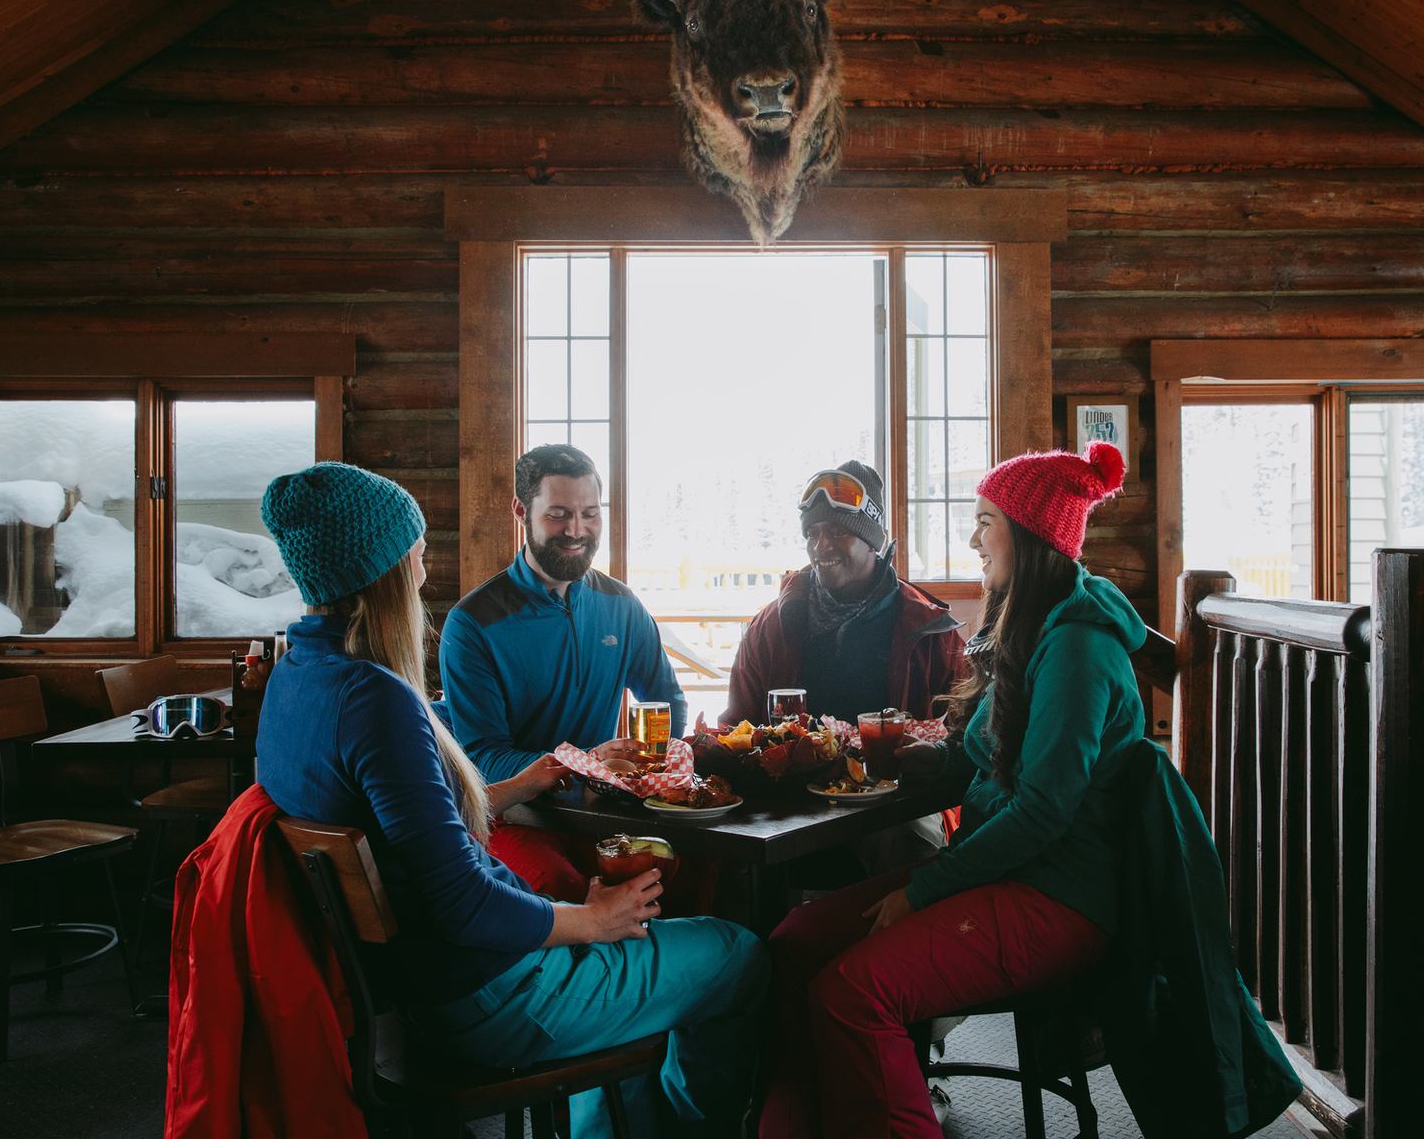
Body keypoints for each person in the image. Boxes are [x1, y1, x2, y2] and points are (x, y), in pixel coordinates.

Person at [253, 462, 765, 1137]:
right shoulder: (379, 700)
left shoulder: (296, 680)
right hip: (488, 994)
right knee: (736, 950)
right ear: (380, 570)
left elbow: (421, 830)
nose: (422, 571)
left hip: (409, 988)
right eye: (414, 554)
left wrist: (533, 778)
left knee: (652, 919)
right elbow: (463, 902)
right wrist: (588, 920)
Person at [758, 443, 1143, 1139]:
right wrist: (917, 760)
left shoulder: (1080, 649)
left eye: (985, 520)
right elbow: (984, 764)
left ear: (1029, 537)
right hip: (1006, 873)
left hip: (1055, 894)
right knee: (794, 941)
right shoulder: (1026, 631)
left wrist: (924, 890)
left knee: (853, 992)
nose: (973, 537)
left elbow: (1044, 811)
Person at [440, 443, 688, 900]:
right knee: (562, 889)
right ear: (521, 510)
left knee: (698, 870)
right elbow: (483, 757)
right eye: (558, 514)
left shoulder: (622, 605)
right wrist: (584, 762)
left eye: (590, 514)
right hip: (516, 817)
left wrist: (655, 763)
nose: (577, 531)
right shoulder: (473, 622)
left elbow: (666, 701)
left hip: (606, 813)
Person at [724, 460, 966, 725]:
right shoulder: (771, 626)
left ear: (873, 541)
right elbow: (735, 728)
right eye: (812, 534)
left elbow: (965, 733)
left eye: (838, 532)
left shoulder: (929, 631)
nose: (821, 546)